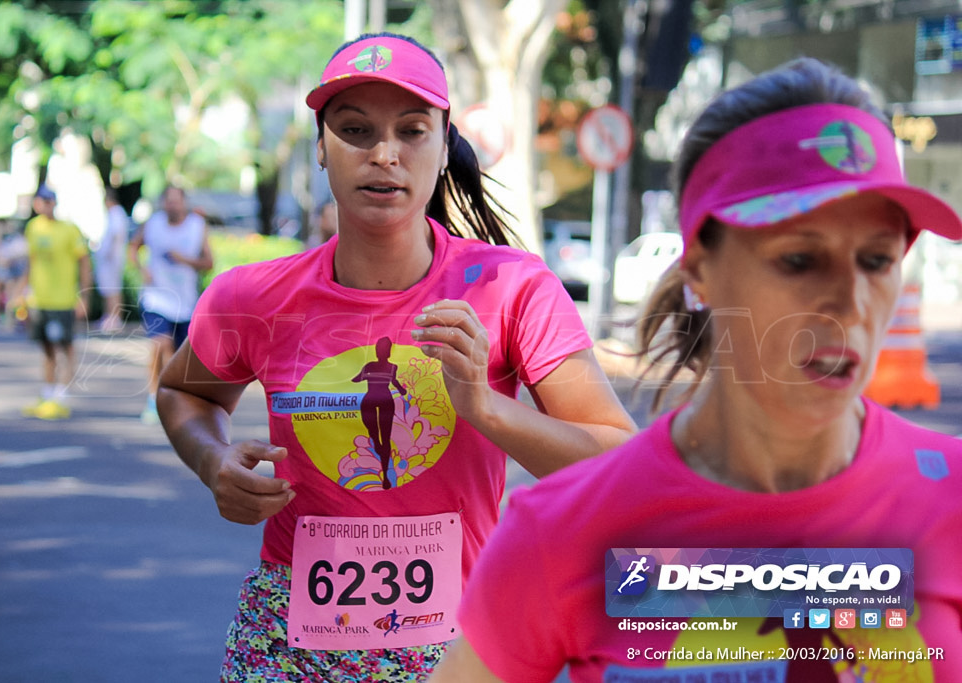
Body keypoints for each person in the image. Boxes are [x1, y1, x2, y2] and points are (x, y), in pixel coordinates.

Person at [432, 57, 962, 683]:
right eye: (799, 260)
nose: (851, 302)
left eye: (876, 259)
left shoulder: (950, 496)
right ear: (700, 271)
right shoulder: (565, 526)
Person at [156, 32, 637, 682]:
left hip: (458, 643)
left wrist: (485, 408)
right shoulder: (252, 296)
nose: (384, 154)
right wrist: (212, 459)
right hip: (290, 644)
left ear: (444, 148)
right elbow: (184, 392)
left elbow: (618, 460)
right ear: (321, 148)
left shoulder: (513, 288)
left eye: (411, 131)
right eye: (355, 130)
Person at [129, 184, 213, 423]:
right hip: (156, 298)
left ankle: (175, 399)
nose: (172, 205)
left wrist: (184, 259)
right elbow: (133, 247)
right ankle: (154, 398)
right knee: (159, 345)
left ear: (184, 202)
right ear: (163, 203)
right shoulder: (153, 223)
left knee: (179, 357)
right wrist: (141, 268)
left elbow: (209, 263)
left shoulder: (197, 226)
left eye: (177, 201)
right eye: (169, 201)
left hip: (184, 302)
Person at [21, 184, 92, 420]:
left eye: (51, 201)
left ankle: (62, 396)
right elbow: (31, 263)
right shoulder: (33, 228)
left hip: (63, 301)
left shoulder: (69, 230)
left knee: (66, 348)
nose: (47, 205)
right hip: (40, 299)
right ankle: (48, 393)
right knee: (46, 349)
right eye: (43, 201)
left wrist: (84, 296)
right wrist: (22, 292)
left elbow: (84, 262)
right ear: (36, 204)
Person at [94, 188, 129, 333]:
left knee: (112, 290)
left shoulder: (116, 213)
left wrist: (108, 252)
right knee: (109, 289)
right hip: (111, 259)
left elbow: (115, 235)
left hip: (112, 259)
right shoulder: (115, 214)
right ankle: (110, 316)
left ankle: (115, 318)